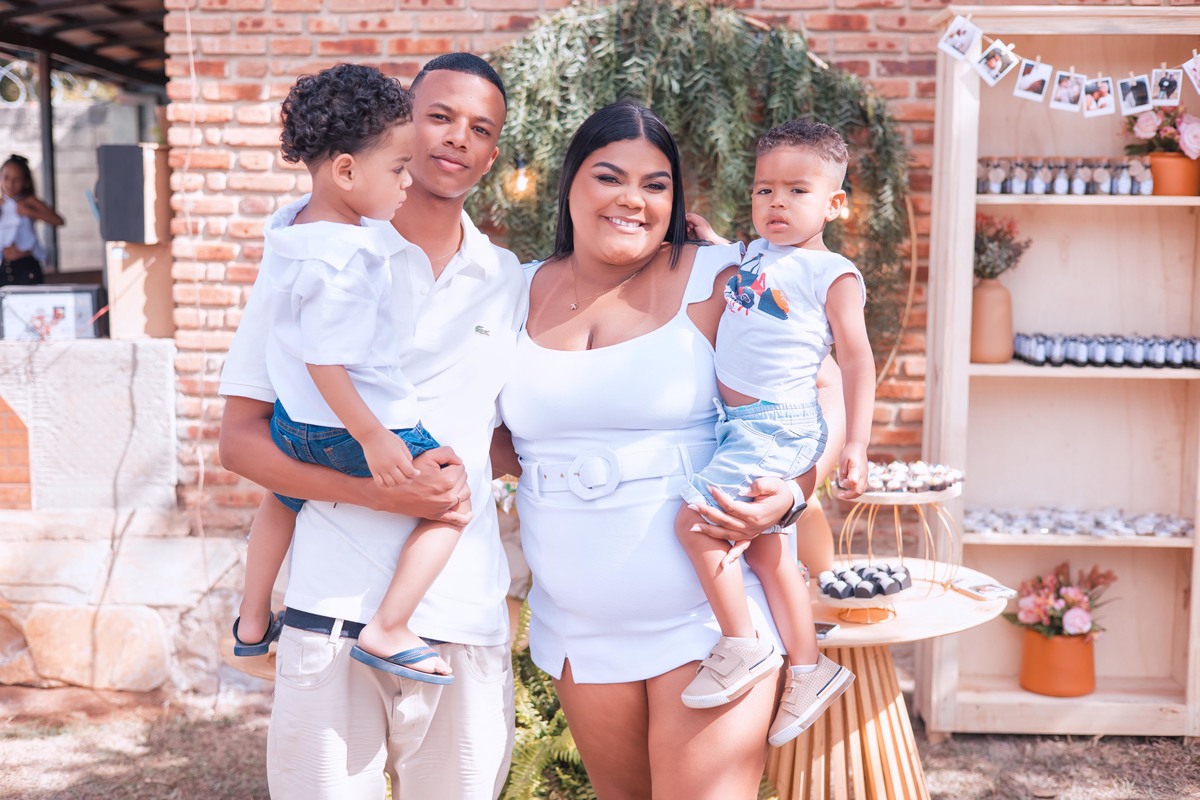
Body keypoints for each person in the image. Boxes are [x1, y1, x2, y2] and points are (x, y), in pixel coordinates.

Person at [493, 101, 826, 799]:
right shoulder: (512, 290)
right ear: (571, 183)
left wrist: (794, 492)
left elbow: (817, 387)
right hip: (577, 623)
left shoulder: (723, 276)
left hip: (712, 624)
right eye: (609, 177)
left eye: (655, 185)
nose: (632, 200)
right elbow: (488, 428)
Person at [218, 53, 526, 799]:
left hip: (463, 616)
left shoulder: (510, 279)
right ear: (399, 126)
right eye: (439, 116)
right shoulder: (315, 256)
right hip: (331, 613)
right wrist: (379, 491)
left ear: (492, 155)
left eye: (481, 129)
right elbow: (240, 439)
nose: (457, 138)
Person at [229, 63, 465, 684]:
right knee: (452, 503)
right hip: (354, 424)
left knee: (282, 496)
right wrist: (374, 436)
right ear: (345, 171)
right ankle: (390, 626)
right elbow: (325, 360)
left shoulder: (292, 231)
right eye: (398, 168)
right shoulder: (347, 260)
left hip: (293, 426)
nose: (408, 182)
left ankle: (251, 622)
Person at [673, 119, 873, 746]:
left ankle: (743, 643)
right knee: (765, 549)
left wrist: (858, 444)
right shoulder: (755, 254)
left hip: (777, 425)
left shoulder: (832, 273)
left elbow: (857, 361)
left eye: (796, 191)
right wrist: (712, 240)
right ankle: (809, 668)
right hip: (743, 426)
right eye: (764, 190)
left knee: (697, 524)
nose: (776, 203)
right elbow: (744, 272)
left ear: (834, 205)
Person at [0, 154, 64, 286]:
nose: (10, 184)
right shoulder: (1, 204)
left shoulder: (29, 201)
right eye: (6, 178)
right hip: (4, 266)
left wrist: (29, 212)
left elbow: (58, 220)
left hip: (26, 265)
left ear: (25, 182)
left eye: (16, 179)